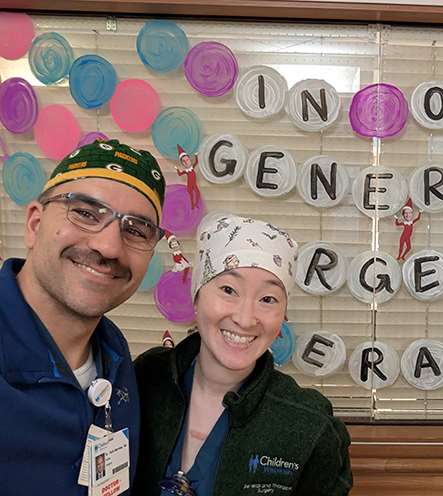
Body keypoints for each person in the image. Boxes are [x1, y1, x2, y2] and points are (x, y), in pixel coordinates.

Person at [134, 214, 353, 496]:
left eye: (267, 299)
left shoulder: (308, 423)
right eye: (228, 290)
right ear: (197, 296)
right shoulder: (144, 379)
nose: (245, 319)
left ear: (282, 316)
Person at [0, 139, 166, 495]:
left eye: (136, 230)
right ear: (35, 223)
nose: (109, 246)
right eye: (86, 213)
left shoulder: (115, 353)